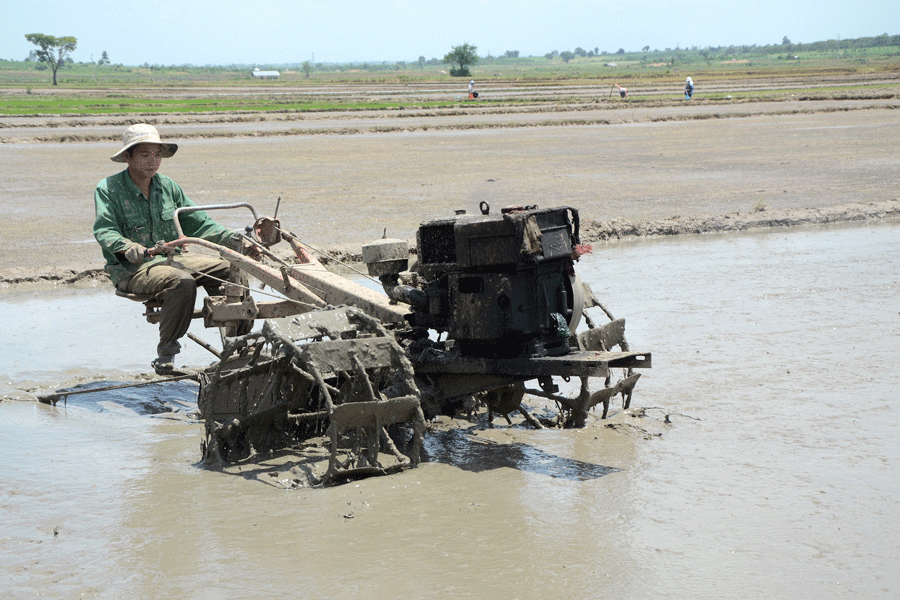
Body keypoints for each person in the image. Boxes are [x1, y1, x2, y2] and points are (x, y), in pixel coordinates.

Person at [93, 123, 240, 373]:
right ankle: (167, 351)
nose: (153, 161)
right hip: (135, 269)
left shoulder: (167, 186)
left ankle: (235, 344)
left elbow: (198, 223)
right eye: (145, 154)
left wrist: (233, 239)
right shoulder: (108, 189)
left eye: (158, 154)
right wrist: (127, 246)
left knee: (230, 271)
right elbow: (104, 229)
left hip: (173, 259)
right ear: (127, 156)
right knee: (181, 283)